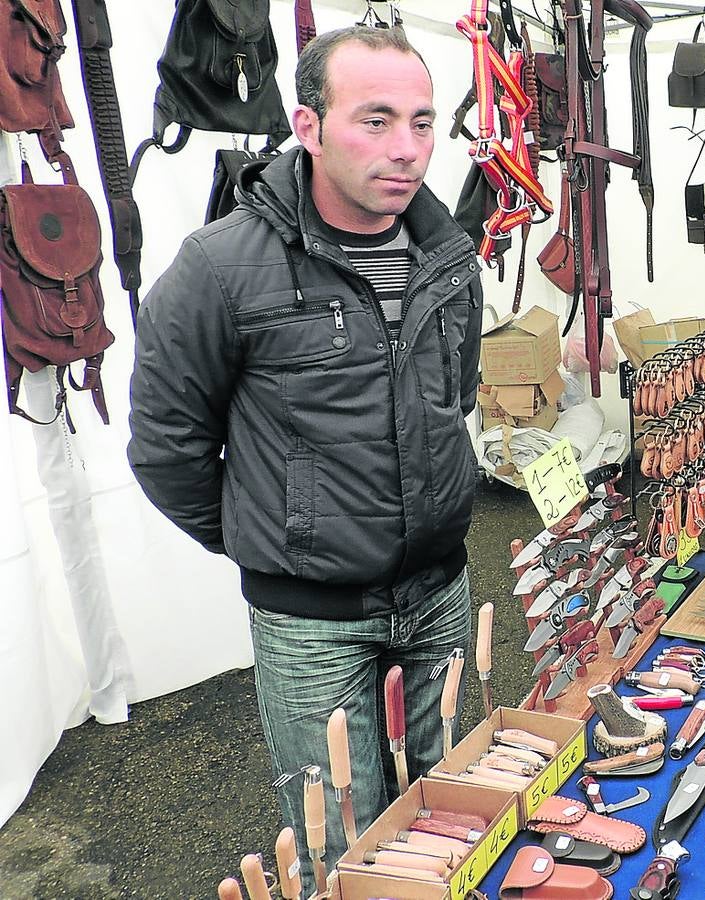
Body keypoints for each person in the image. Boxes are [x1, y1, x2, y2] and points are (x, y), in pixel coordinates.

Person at [127, 26, 483, 892]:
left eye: (423, 122)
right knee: (347, 849)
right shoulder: (220, 270)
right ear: (309, 125)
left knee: (458, 822)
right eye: (375, 120)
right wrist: (282, 535)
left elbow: (455, 400)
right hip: (313, 625)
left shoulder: (449, 255)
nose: (406, 151)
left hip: (440, 593)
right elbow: (167, 448)